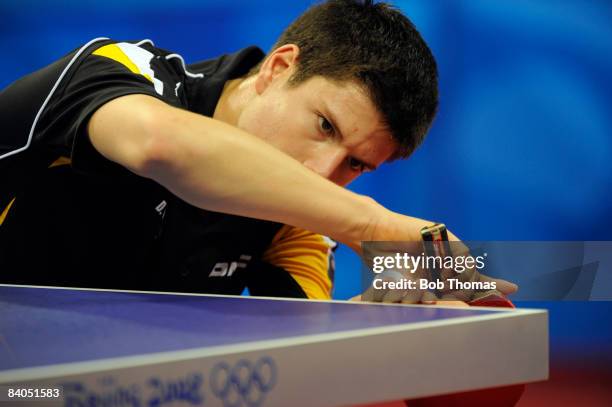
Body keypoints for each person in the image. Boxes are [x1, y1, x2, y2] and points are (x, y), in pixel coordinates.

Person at [0, 0, 515, 301]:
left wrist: (376, 320)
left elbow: (296, 358)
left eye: (356, 164)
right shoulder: (123, 71)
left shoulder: (302, 216)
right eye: (324, 125)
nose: (321, 172)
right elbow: (160, 145)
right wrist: (374, 226)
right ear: (278, 67)